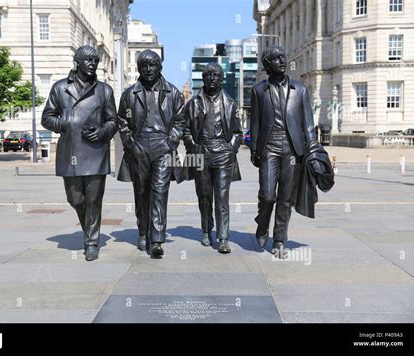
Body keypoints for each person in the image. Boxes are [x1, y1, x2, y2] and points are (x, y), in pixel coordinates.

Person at [41, 45, 118, 261]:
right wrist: (64, 122)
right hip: (70, 152)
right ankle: (89, 230)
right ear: (78, 62)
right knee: (75, 199)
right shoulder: (59, 88)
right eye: (88, 60)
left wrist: (103, 131)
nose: (93, 64)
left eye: (95, 60)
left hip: (95, 153)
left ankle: (91, 242)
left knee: (94, 200)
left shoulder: (104, 90)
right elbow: (46, 118)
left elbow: (114, 121)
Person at [250, 45, 317, 259]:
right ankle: (262, 226)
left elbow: (308, 125)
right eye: (276, 59)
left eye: (283, 57)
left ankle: (279, 239)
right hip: (269, 147)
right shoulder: (259, 90)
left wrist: (313, 150)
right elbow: (255, 123)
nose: (282, 61)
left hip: (292, 149)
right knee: (268, 195)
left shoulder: (301, 90)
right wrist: (253, 150)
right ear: (267, 65)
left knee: (285, 198)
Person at [117, 50, 185, 259]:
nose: (148, 69)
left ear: (160, 67)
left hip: (162, 147)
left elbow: (180, 121)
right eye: (144, 66)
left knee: (159, 192)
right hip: (139, 147)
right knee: (141, 192)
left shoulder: (173, 93)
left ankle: (156, 239)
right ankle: (143, 232)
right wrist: (131, 144)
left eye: (152, 65)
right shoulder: (129, 94)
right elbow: (122, 123)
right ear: (138, 68)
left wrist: (170, 141)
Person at [183, 63, 242, 254]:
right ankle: (206, 229)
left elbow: (237, 132)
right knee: (204, 196)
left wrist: (230, 149)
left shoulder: (230, 103)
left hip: (223, 153)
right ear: (203, 78)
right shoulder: (193, 103)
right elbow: (185, 130)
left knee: (222, 197)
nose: (212, 78)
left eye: (216, 75)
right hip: (202, 151)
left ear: (221, 78)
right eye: (208, 75)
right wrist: (193, 146)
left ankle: (223, 237)